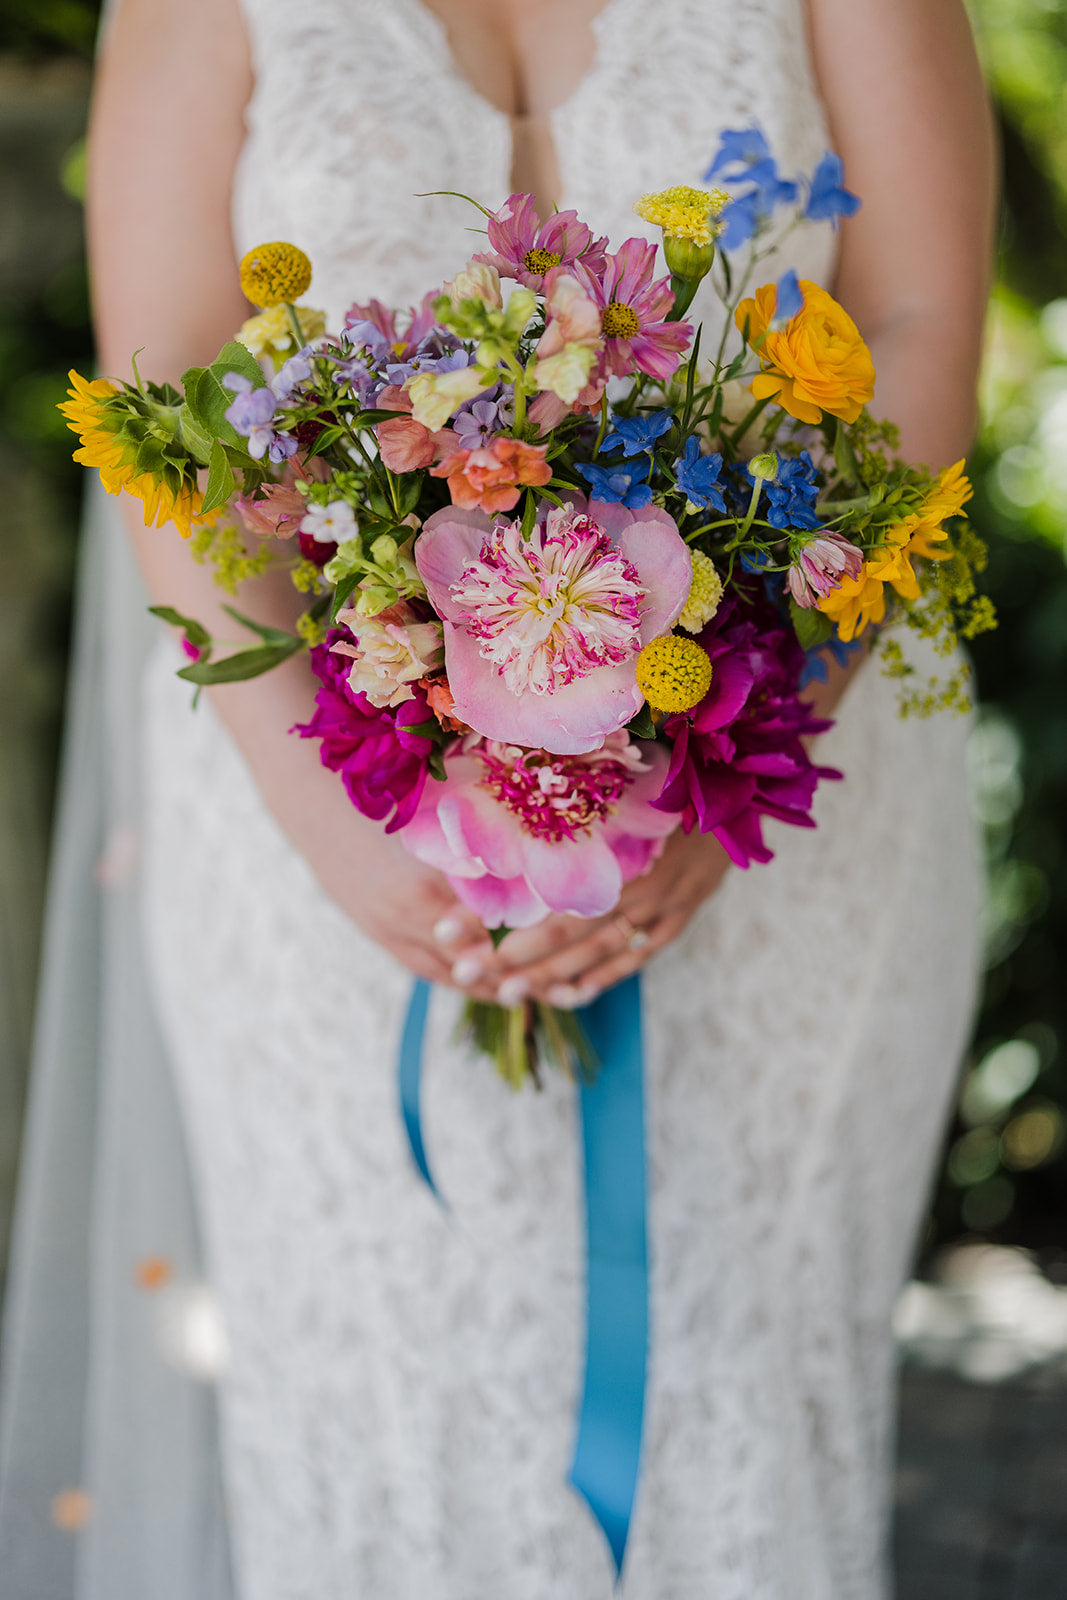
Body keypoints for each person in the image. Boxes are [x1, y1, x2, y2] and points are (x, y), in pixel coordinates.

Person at [0, 0, 995, 1596]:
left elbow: (927, 307)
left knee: (741, 1390)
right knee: (376, 1395)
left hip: (792, 791)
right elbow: (167, 362)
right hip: (309, 814)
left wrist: (740, 745)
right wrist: (340, 819)